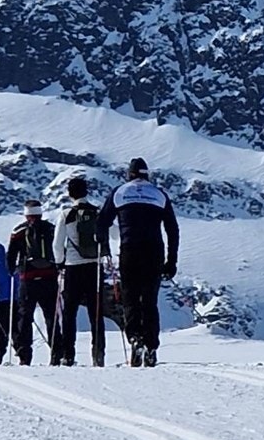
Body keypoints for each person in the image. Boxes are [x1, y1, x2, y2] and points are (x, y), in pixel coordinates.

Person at [98, 157, 179, 367]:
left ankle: (135, 339)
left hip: (129, 250)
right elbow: (172, 230)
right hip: (154, 251)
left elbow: (102, 223)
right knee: (150, 302)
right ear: (147, 174)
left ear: (129, 174)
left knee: (131, 300)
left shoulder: (120, 192)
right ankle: (151, 347)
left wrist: (105, 248)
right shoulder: (159, 194)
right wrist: (171, 261)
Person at [56, 176, 106, 367]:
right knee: (96, 312)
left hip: (73, 267)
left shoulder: (66, 214)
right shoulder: (96, 212)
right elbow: (113, 233)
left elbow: (57, 245)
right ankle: (98, 353)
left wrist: (60, 263)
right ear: (86, 191)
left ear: (70, 194)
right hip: (95, 266)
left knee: (69, 313)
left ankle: (68, 354)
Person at [5, 199, 59, 366]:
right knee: (51, 316)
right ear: (40, 213)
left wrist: (12, 270)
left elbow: (11, 256)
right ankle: (57, 354)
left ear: (26, 213)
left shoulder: (19, 231)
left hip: (28, 279)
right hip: (49, 278)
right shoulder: (50, 229)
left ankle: (24, 356)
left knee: (25, 317)